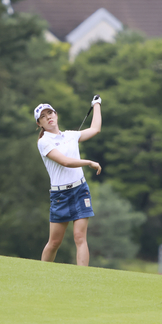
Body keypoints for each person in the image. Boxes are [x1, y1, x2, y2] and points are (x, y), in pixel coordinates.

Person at [35, 95, 102, 266]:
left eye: (50, 113)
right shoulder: (44, 142)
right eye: (43, 116)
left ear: (56, 115)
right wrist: (88, 162)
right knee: (55, 242)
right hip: (60, 195)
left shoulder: (70, 135)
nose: (48, 117)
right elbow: (65, 161)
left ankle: (82, 279)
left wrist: (96, 105)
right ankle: (42, 274)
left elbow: (95, 129)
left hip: (80, 190)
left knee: (80, 237)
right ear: (40, 124)